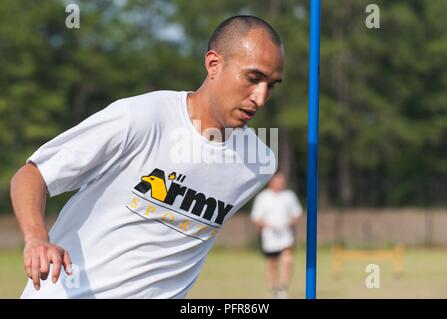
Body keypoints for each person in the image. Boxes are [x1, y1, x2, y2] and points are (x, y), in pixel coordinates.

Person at [10, 15, 284, 298]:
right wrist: (36, 239)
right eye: (253, 78)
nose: (260, 97)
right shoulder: (141, 118)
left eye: (271, 85)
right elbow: (33, 175)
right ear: (214, 63)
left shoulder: (257, 164)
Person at [250, 172, 302, 298]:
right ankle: (274, 288)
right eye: (278, 181)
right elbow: (256, 217)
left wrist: (289, 223)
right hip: (269, 236)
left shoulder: (289, 196)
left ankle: (283, 287)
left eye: (282, 181)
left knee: (287, 258)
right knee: (272, 263)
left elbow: (297, 213)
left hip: (285, 235)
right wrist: (266, 225)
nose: (280, 183)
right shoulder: (263, 197)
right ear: (271, 182)